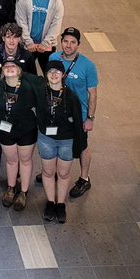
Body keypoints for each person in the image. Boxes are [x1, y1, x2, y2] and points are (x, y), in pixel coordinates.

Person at [49, 27, 98, 198]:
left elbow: (93, 93)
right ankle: (51, 171)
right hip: (57, 113)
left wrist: (90, 118)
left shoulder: (88, 66)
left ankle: (84, 178)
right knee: (55, 143)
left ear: (78, 45)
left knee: (82, 146)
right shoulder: (53, 58)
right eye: (65, 41)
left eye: (72, 42)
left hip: (79, 115)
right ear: (61, 42)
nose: (68, 45)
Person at [36, 60, 82, 223]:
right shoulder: (40, 92)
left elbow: (78, 122)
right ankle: (50, 202)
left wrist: (79, 146)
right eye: (50, 72)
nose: (54, 74)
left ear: (63, 75)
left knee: (63, 174)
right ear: (46, 75)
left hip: (66, 141)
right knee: (48, 172)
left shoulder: (71, 96)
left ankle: (61, 204)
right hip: (46, 139)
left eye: (57, 72)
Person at [0, 58, 37, 210]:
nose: (10, 68)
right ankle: (11, 188)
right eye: (6, 66)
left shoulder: (28, 86)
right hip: (6, 129)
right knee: (11, 160)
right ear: (2, 71)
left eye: (14, 66)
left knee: (25, 160)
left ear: (20, 71)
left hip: (26, 129)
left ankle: (24, 192)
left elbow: (41, 80)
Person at [16, 0, 64, 75]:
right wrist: (29, 42)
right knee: (27, 75)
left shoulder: (56, 2)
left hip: (46, 47)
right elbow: (21, 22)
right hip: (28, 45)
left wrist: (45, 43)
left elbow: (56, 25)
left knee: (50, 75)